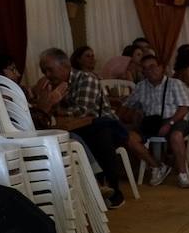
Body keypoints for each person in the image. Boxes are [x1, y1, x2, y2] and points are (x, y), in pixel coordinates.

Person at [37, 47, 159, 209]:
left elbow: (82, 111)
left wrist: (54, 105)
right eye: (44, 71)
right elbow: (45, 115)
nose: (47, 75)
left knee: (100, 131)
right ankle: (93, 188)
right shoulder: (50, 85)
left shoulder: (85, 80)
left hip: (108, 126)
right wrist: (47, 102)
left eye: (50, 70)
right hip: (82, 129)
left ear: (65, 66)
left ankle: (112, 189)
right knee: (71, 138)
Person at [123, 52, 189, 188]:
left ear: (162, 68)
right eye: (145, 68)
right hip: (151, 122)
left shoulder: (175, 84)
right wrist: (129, 117)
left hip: (174, 120)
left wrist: (169, 123)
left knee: (176, 136)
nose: (149, 71)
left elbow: (184, 108)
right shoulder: (141, 87)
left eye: (153, 66)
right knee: (129, 137)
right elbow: (128, 105)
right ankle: (156, 166)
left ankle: (183, 174)